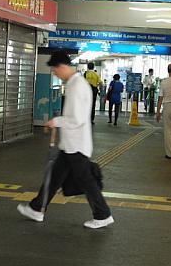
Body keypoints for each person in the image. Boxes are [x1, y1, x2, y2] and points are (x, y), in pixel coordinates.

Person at [18, 51, 114, 229]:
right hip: (70, 145)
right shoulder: (74, 83)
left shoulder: (77, 86)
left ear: (62, 66)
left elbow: (77, 118)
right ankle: (37, 208)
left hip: (76, 146)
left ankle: (103, 214)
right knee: (54, 178)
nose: (54, 74)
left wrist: (56, 121)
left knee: (86, 181)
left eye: (55, 70)